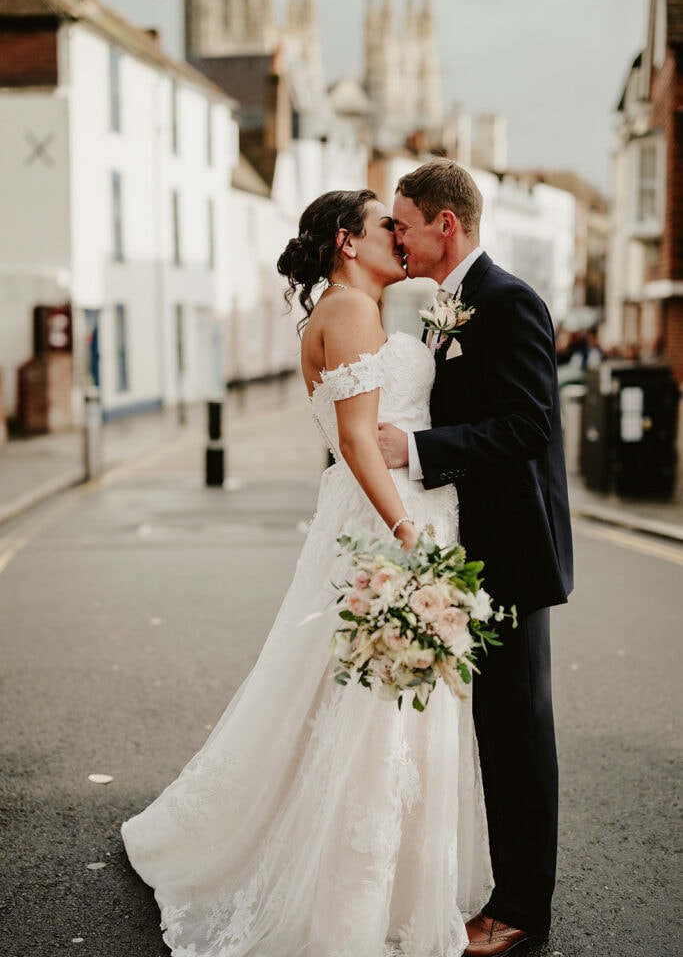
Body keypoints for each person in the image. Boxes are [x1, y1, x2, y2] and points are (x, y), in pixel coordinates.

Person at [121, 188, 493, 957]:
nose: (398, 235)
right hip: (388, 521)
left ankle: (368, 882)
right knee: (374, 710)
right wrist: (406, 538)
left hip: (379, 513)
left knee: (354, 699)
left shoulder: (347, 311)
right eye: (383, 225)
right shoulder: (352, 313)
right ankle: (349, 902)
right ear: (347, 245)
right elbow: (356, 442)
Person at [378, 158, 574, 957]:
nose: (395, 235)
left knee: (517, 733)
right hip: (470, 551)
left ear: (444, 224)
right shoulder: (445, 307)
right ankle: (504, 892)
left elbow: (528, 425)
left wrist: (420, 449)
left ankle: (522, 908)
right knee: (491, 729)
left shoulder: (507, 300)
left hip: (511, 553)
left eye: (403, 223)